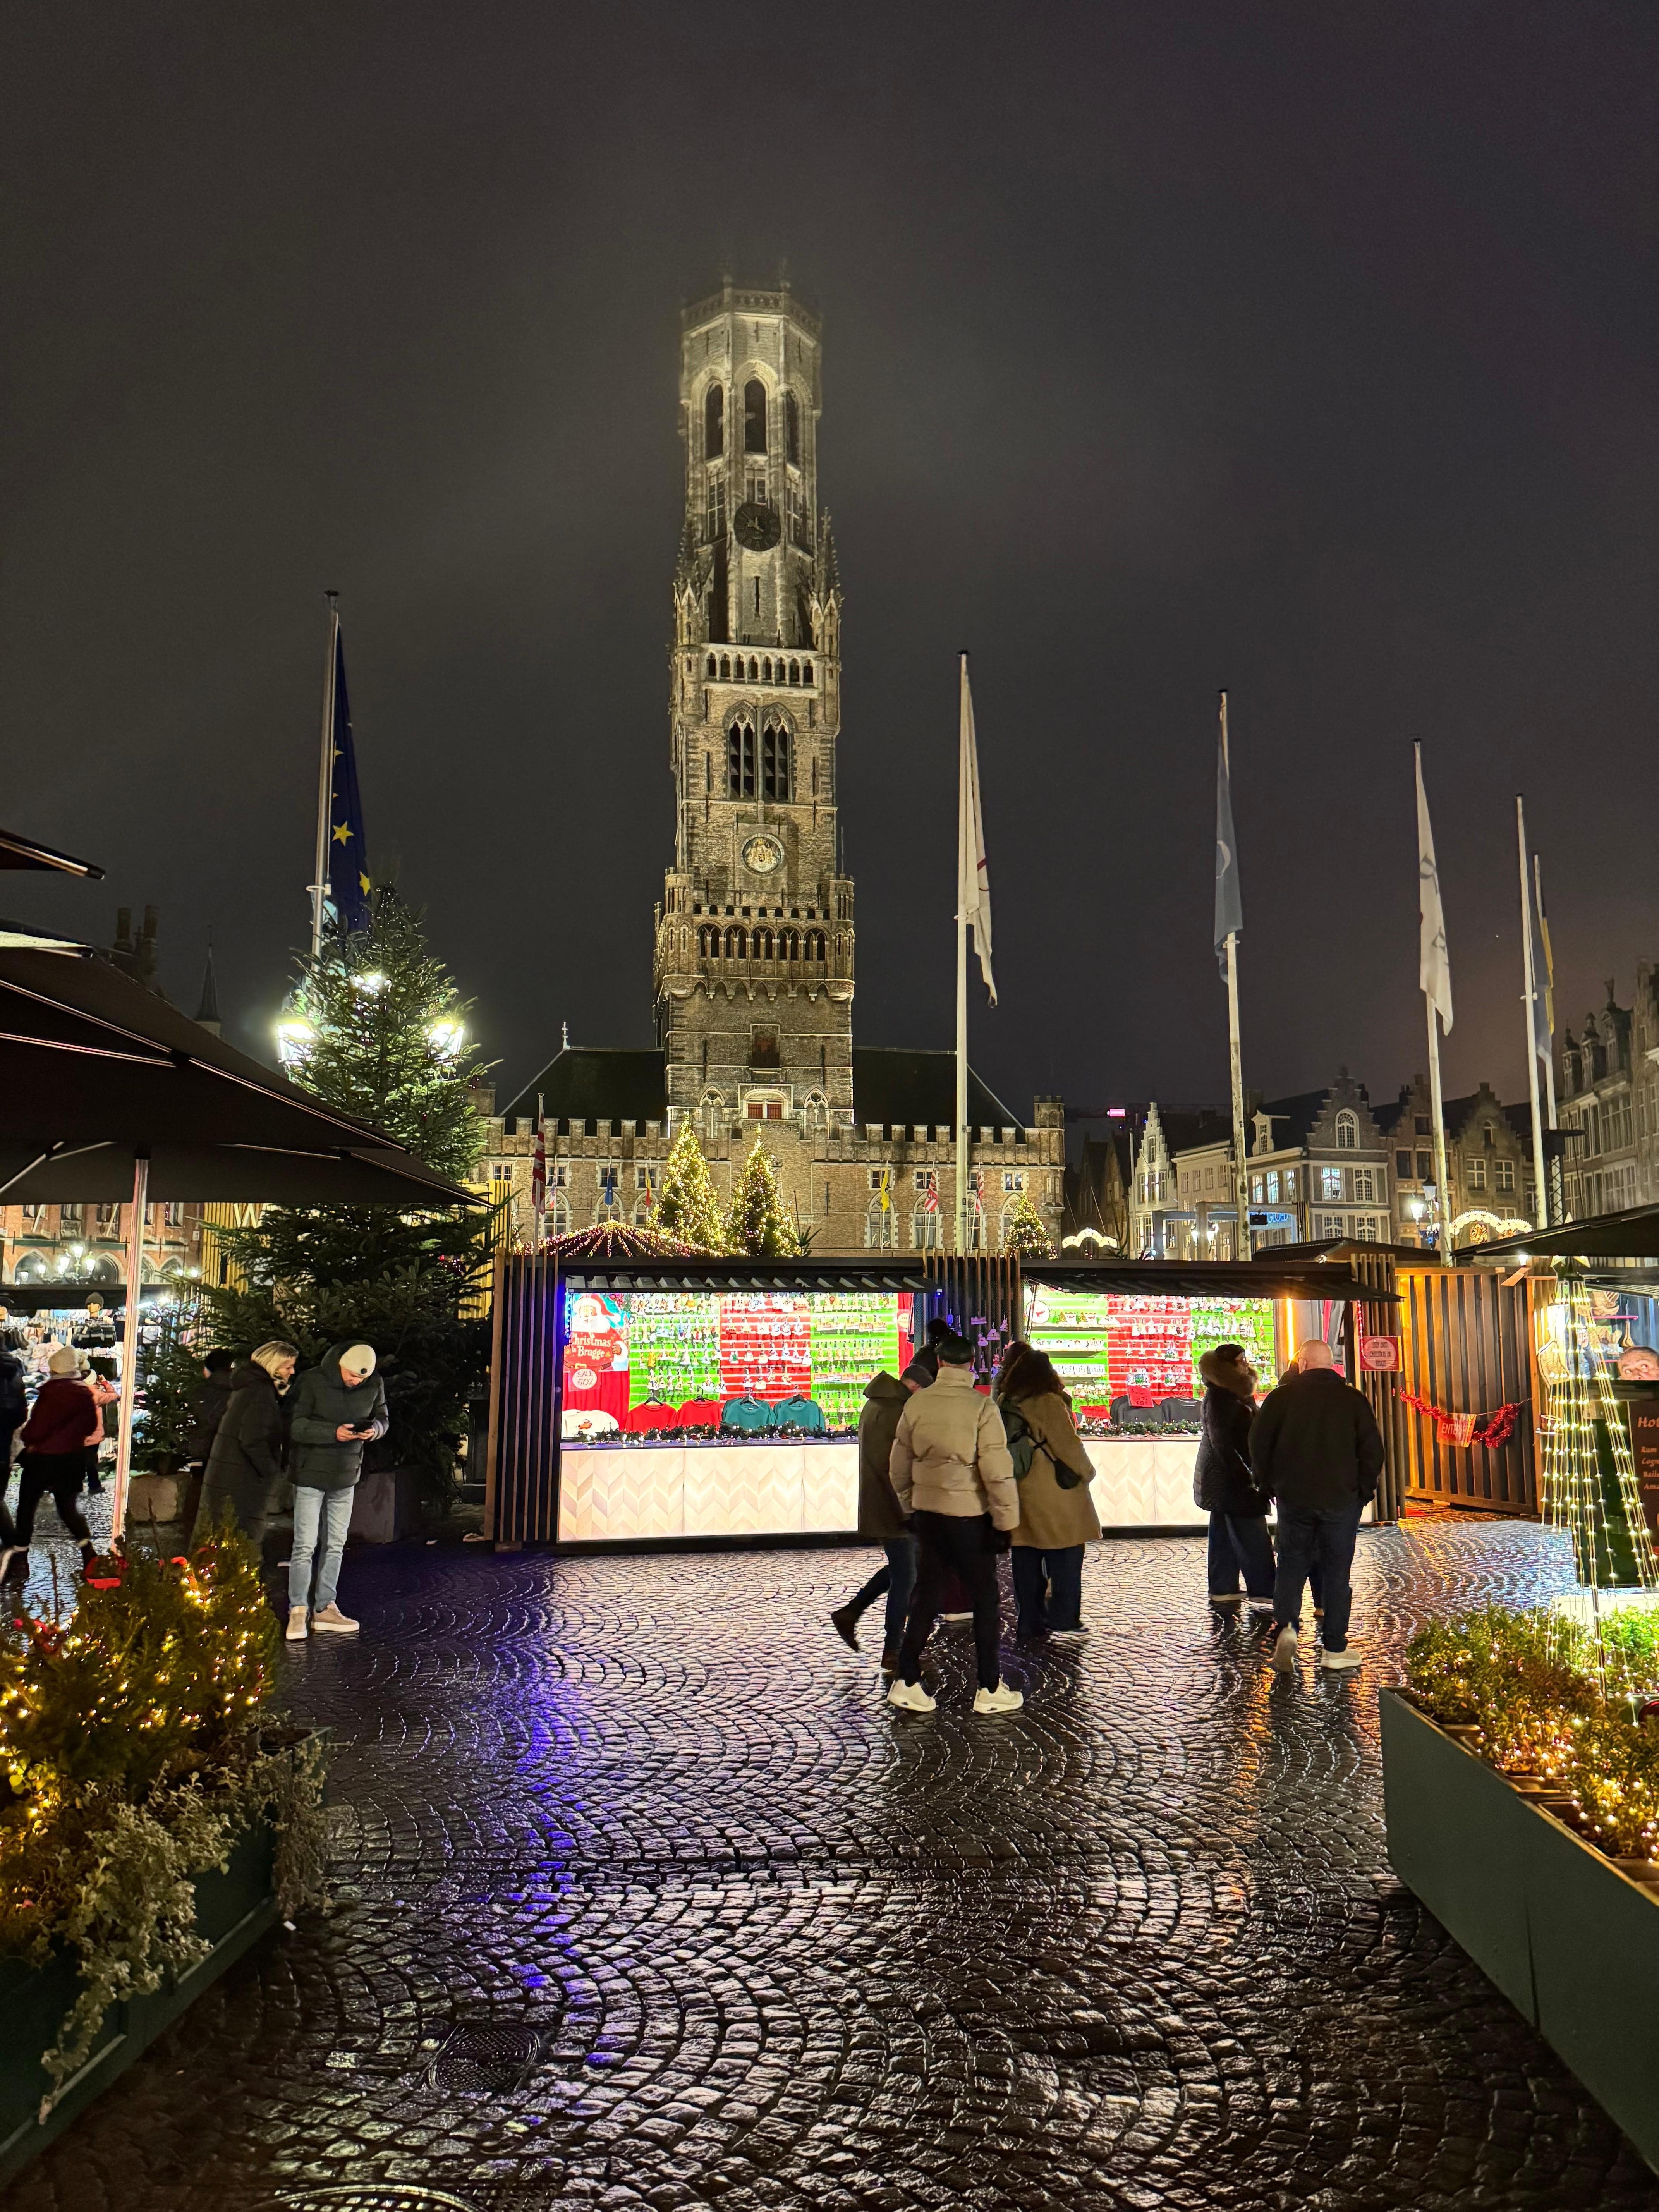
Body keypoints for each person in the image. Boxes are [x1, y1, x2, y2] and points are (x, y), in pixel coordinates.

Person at [886, 1330, 1024, 1716]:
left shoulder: (918, 1404)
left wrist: (910, 1504)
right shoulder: (982, 1408)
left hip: (929, 1514)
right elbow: (997, 1472)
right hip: (970, 1517)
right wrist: (1005, 1522)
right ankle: (989, 1687)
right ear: (971, 1366)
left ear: (941, 1363)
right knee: (985, 1599)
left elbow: (899, 1465)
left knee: (927, 1596)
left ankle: (907, 1679)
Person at [1250, 1338, 1384, 1673]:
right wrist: (1363, 1492)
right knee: (1337, 1573)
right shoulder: (1354, 1400)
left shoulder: (1280, 1399)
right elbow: (1373, 1451)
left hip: (1295, 1499)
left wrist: (1268, 1486)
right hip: (1341, 1501)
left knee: (1292, 1566)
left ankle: (1287, 1629)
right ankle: (1335, 1649)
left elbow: (1258, 1446)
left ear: (1303, 1364)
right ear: (1331, 1365)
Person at [995, 1339, 1100, 1638]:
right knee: (1065, 1556)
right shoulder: (1049, 1402)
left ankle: (1030, 1619)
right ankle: (1065, 1619)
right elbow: (1068, 1446)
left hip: (1020, 1489)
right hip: (1055, 1493)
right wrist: (1087, 1473)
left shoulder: (1005, 1402)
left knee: (1025, 1557)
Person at [283, 1341, 387, 1641]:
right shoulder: (312, 1381)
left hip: (347, 1474)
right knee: (304, 1545)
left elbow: (383, 1417)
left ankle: (325, 1607)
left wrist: (374, 1431)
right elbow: (296, 1425)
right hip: (310, 1473)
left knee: (336, 1544)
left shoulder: (374, 1383)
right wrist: (333, 1433)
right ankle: (298, 1610)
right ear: (340, 1364)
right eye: (353, 1376)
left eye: (362, 1379)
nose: (357, 1382)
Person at [830, 1360, 929, 1670]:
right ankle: (894, 1651)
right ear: (914, 1387)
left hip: (884, 1502)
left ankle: (852, 1612)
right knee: (906, 1577)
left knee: (904, 1568)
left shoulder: (879, 1404)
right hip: (895, 1506)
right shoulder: (896, 1411)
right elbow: (898, 1466)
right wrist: (910, 1507)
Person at [1195, 1341, 1276, 1613]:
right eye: (1240, 1360)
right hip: (1232, 1478)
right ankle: (1264, 1589)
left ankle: (1223, 1587)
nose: (1245, 1363)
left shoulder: (1238, 1392)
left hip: (1226, 1478)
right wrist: (1249, 1479)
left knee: (1224, 1535)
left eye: (1245, 1359)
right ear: (1228, 1366)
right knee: (1252, 1534)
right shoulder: (1222, 1396)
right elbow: (1224, 1445)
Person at [192, 1341, 297, 1549]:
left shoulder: (249, 1388)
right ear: (272, 1366)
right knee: (238, 1548)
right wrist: (271, 1472)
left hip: (230, 1477)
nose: (292, 1372)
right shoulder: (261, 1393)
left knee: (217, 1544)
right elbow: (253, 1439)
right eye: (288, 1367)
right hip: (242, 1483)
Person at [5, 1346, 98, 1576]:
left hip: (42, 1461)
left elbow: (35, 1430)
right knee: (68, 1509)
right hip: (72, 1460)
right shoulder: (85, 1392)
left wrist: (27, 1437)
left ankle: (21, 1560)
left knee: (27, 1509)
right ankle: (88, 1552)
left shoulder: (52, 1393)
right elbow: (90, 1427)